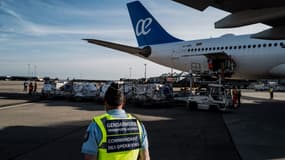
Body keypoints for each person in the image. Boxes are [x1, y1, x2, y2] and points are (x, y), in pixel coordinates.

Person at [81, 82, 150, 160]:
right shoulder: (138, 124)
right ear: (123, 102)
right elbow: (145, 157)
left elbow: (89, 158)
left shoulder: (97, 126)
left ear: (105, 102)